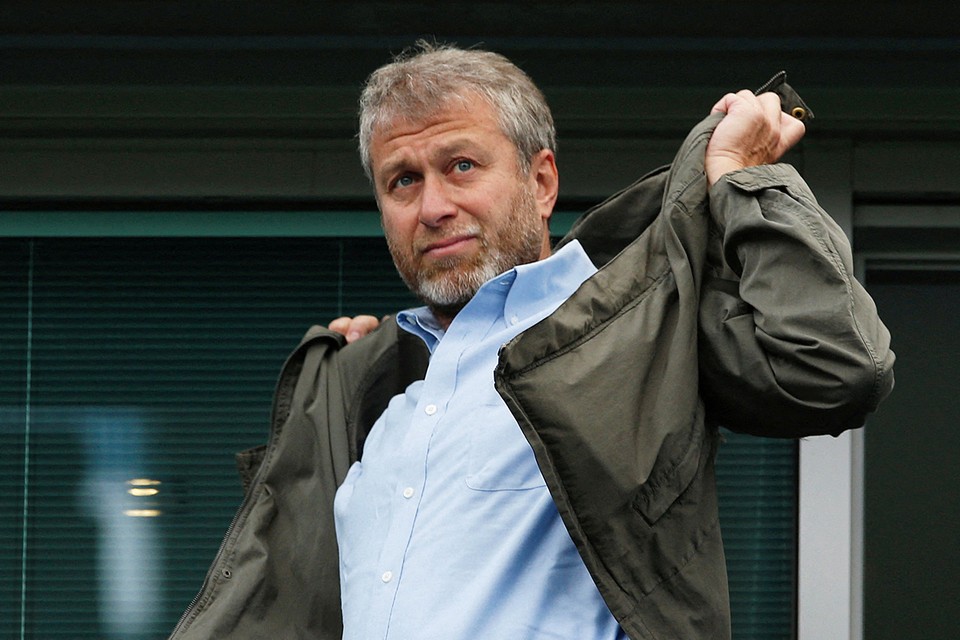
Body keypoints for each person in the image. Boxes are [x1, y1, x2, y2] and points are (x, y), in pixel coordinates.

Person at [169, 43, 894, 640]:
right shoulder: (381, 393)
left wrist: (743, 178)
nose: (433, 206)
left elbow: (833, 367)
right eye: (402, 181)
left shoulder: (639, 330)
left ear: (541, 181)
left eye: (461, 166)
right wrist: (359, 371)